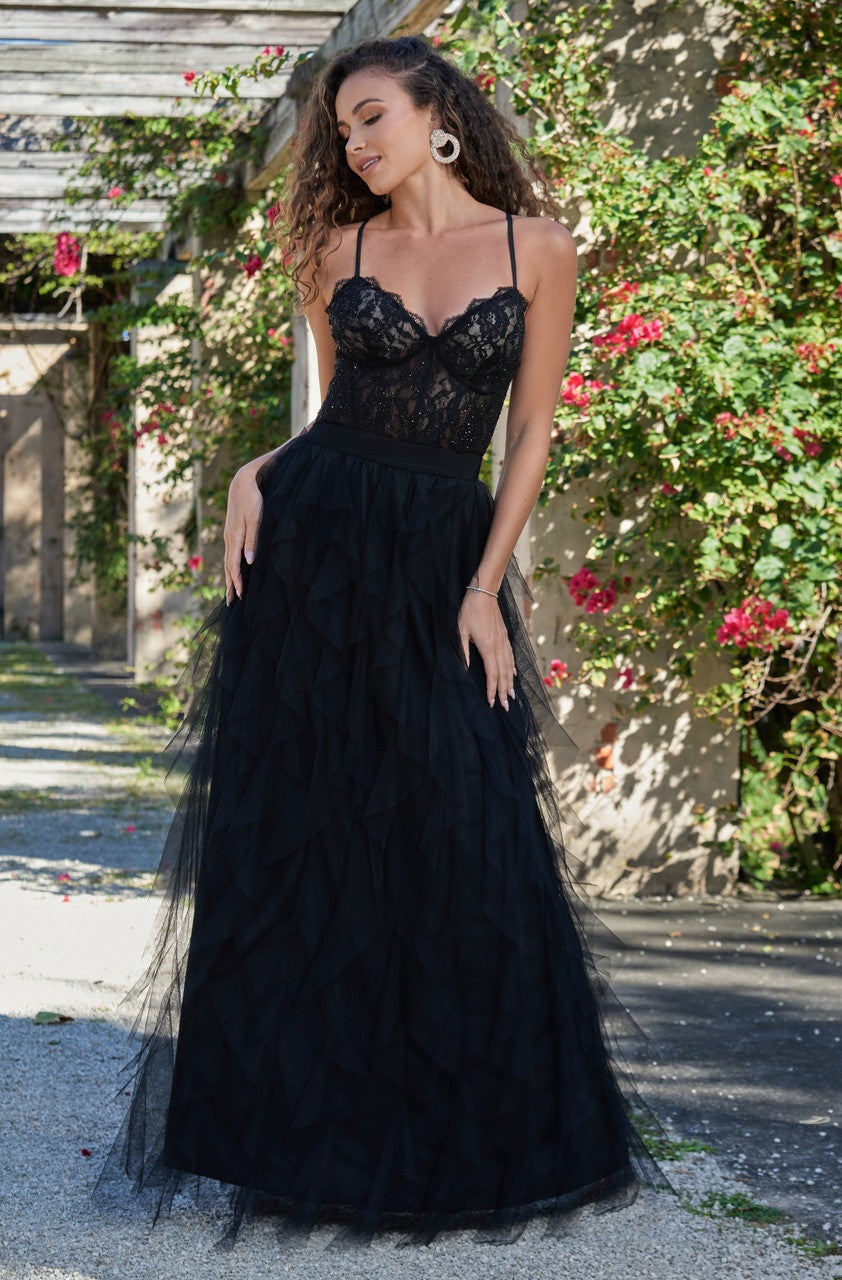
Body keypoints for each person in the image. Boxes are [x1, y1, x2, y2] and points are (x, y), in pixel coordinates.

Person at [92, 32, 676, 1253]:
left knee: (461, 825)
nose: (350, 144)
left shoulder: (536, 248)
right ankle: (305, 1138)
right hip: (315, 563)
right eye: (338, 130)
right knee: (308, 838)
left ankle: (471, 1139)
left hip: (439, 566)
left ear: (437, 112)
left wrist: (482, 583)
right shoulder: (331, 248)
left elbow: (526, 434)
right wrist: (258, 465)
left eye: (368, 118)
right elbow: (325, 417)